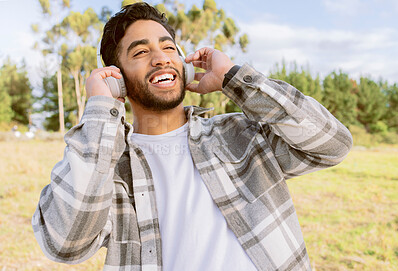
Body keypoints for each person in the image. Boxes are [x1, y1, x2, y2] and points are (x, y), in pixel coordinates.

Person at [32, 2, 352, 271]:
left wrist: (235, 80)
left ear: (183, 65)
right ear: (117, 78)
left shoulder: (240, 135)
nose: (161, 58)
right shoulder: (106, 168)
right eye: (140, 52)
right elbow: (65, 244)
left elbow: (332, 145)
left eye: (169, 47)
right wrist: (101, 110)